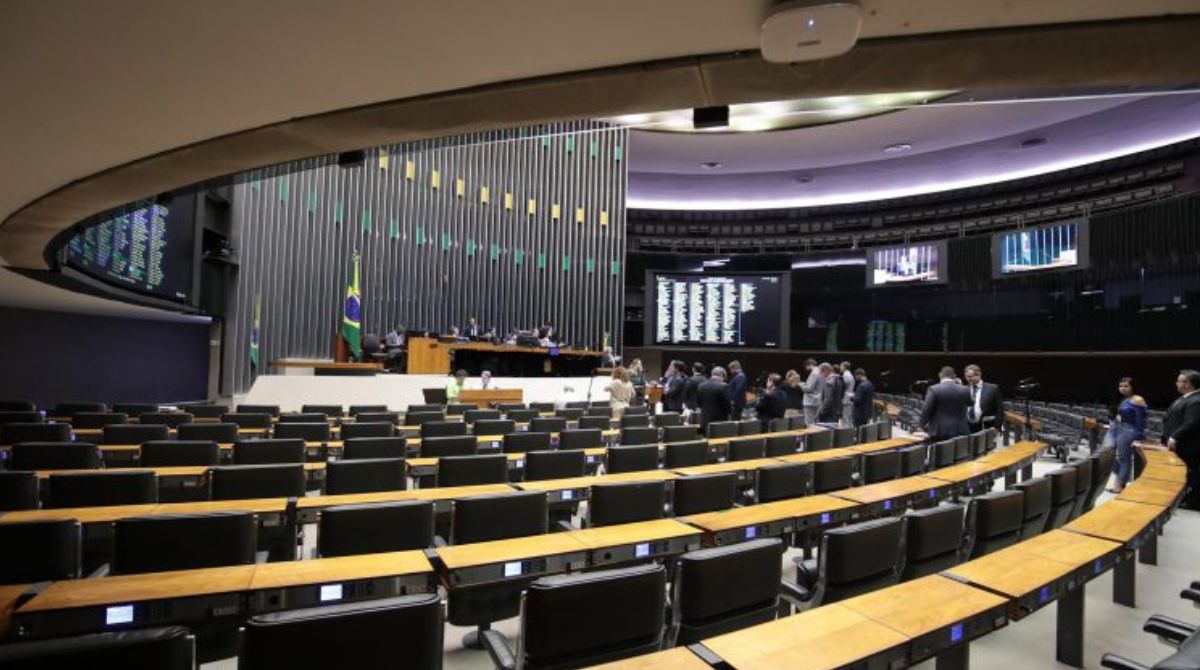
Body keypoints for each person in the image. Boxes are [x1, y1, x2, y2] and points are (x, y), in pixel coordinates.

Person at [1163, 369, 1200, 509]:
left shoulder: (1196, 400)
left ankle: (1191, 502)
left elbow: (1192, 422)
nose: (1176, 383)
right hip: (1178, 445)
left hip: (1187, 446)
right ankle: (1180, 498)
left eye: (1179, 381)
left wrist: (1174, 436)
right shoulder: (1184, 398)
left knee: (1188, 473)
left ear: (1187, 384)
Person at [1105, 377, 1147, 494]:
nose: (1122, 388)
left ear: (1133, 387)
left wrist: (1138, 437)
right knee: (1108, 456)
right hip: (1116, 429)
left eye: (1126, 386)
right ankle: (1123, 477)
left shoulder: (1137, 399)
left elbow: (1141, 421)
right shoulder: (1123, 399)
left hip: (1128, 430)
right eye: (1121, 386)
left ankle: (1118, 485)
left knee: (1124, 459)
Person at [919, 366, 972, 441]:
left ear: (940, 375)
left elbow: (927, 409)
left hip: (940, 431)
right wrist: (961, 385)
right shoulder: (965, 389)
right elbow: (970, 403)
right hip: (961, 430)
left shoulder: (934, 389)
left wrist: (921, 425)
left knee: (941, 452)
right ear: (954, 376)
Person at [963, 364, 1004, 433]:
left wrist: (997, 427)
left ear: (979, 374)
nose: (968, 379)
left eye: (970, 376)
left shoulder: (993, 389)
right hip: (967, 427)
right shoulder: (964, 389)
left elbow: (1000, 410)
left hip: (986, 426)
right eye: (966, 377)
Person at [802, 358, 823, 425]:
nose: (806, 368)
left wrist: (801, 385)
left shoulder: (814, 373)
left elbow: (809, 389)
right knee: (817, 422)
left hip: (810, 401)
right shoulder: (821, 372)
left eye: (806, 366)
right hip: (818, 400)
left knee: (809, 423)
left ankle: (810, 435)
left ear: (809, 365)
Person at [839, 361, 855, 426]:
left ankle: (846, 432)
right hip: (849, 396)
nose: (840, 368)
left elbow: (843, 386)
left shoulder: (846, 375)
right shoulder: (849, 374)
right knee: (848, 416)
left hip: (846, 398)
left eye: (841, 366)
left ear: (844, 367)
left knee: (845, 417)